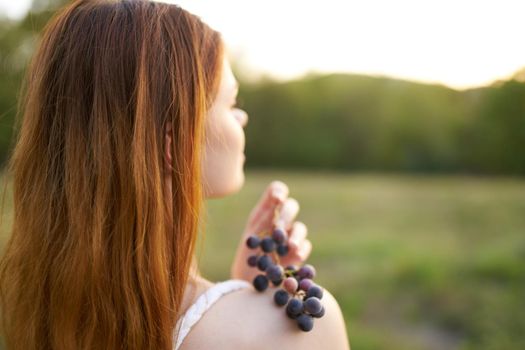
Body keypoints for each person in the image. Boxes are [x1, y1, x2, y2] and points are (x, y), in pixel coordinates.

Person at [0, 0, 350, 349]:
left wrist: (243, 290)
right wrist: (249, 305)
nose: (242, 118)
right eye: (232, 103)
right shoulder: (292, 328)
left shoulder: (35, 307)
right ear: (175, 141)